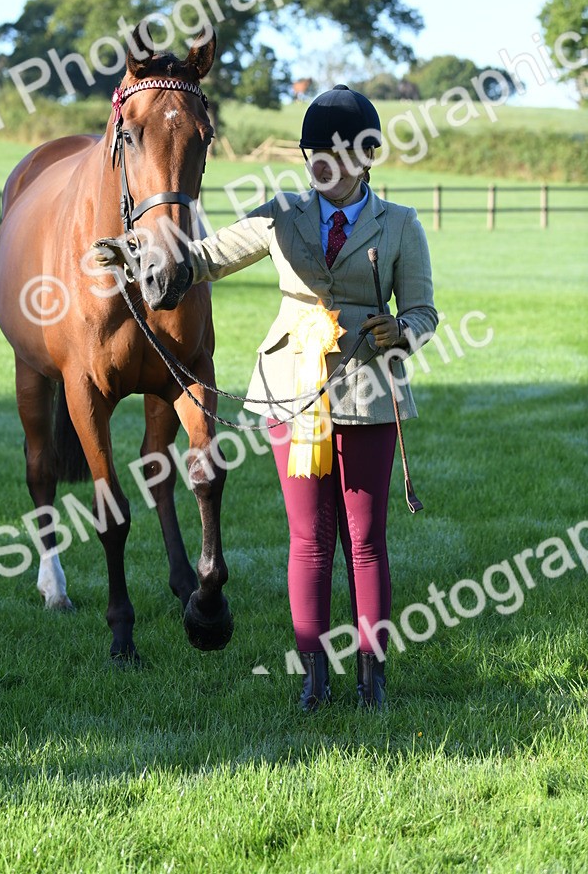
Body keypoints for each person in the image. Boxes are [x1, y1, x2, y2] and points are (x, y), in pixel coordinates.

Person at [101, 85, 437, 710]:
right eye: (313, 156)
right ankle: (313, 673)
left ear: (368, 157)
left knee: (365, 539)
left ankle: (372, 674)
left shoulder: (400, 225)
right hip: (292, 391)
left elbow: (423, 310)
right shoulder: (280, 213)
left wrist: (406, 330)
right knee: (308, 537)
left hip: (366, 391)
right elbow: (204, 259)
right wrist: (136, 253)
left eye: (335, 156)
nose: (322, 168)